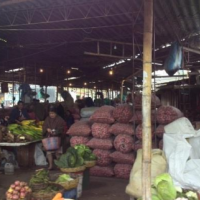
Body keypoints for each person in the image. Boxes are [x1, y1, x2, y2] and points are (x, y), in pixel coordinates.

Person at [42, 105, 66, 170]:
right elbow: (44, 126)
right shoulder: (47, 119)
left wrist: (54, 131)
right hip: (49, 139)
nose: (51, 115)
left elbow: (62, 129)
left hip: (57, 139)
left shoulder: (60, 120)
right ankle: (51, 165)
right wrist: (47, 129)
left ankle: (59, 165)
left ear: (56, 113)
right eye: (50, 113)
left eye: (53, 113)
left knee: (58, 153)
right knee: (49, 153)